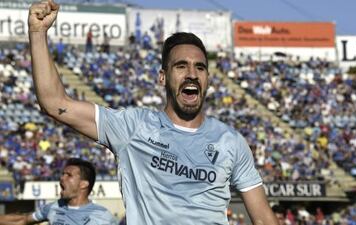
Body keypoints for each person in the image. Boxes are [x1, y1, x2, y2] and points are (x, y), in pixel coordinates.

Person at [28, 1, 280, 224]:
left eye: (200, 68)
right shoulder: (133, 127)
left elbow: (262, 218)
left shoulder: (231, 142)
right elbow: (54, 103)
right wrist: (38, 33)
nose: (192, 74)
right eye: (181, 66)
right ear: (163, 77)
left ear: (208, 79)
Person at [0, 158, 117, 225]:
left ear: (83, 184)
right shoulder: (54, 207)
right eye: (62, 174)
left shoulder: (102, 217)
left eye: (69, 175)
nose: (62, 178)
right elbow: (23, 219)